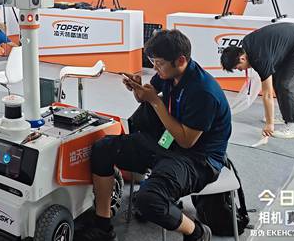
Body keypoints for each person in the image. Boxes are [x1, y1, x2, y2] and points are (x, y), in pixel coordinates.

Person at [82, 30, 231, 241]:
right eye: (153, 62)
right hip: (167, 141)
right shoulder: (168, 74)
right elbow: (146, 97)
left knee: (148, 200)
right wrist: (137, 90)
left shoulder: (203, 92)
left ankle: (198, 232)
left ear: (180, 61)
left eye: (159, 63)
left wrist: (154, 101)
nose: (155, 68)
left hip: (198, 159)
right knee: (103, 148)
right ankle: (102, 225)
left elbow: (186, 141)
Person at [220, 22, 294, 139]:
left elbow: (267, 94)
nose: (241, 70)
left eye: (238, 68)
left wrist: (269, 124)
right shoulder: (247, 44)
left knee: (286, 84)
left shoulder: (259, 58)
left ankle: (293, 128)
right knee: (277, 79)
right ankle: (285, 115)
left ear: (242, 58)